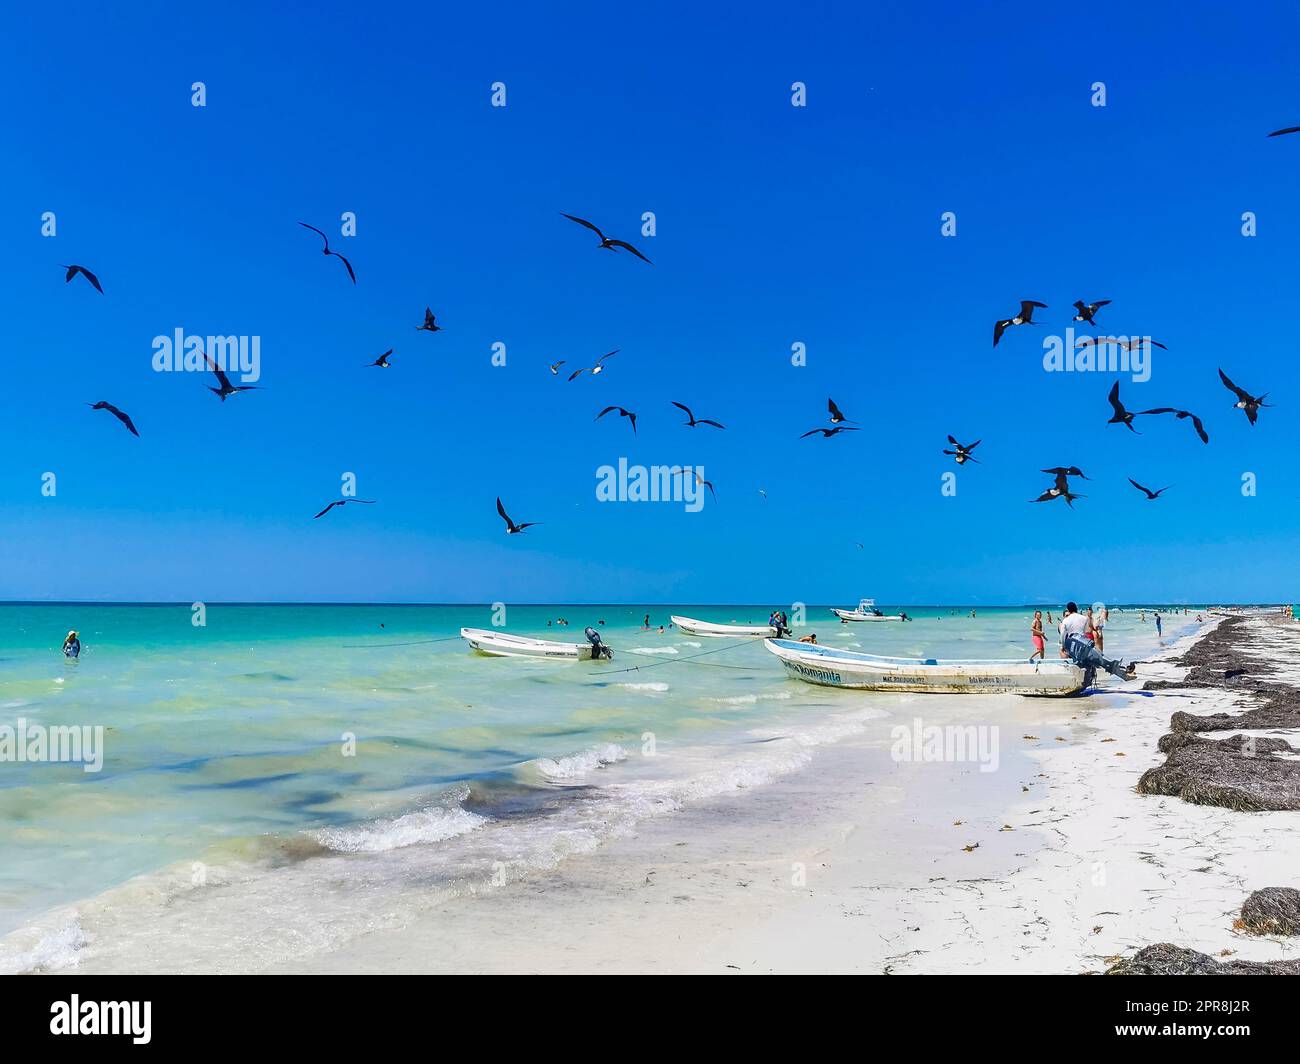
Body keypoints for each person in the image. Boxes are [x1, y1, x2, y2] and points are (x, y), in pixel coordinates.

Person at [1059, 602, 1135, 684]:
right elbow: (1084, 632)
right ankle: (1122, 674)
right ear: (1076, 608)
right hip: (1085, 644)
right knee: (1101, 661)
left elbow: (1063, 635)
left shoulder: (1065, 621)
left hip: (1074, 647)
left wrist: (1063, 646)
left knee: (1078, 665)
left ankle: (1076, 682)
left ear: (1069, 610)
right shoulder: (1084, 618)